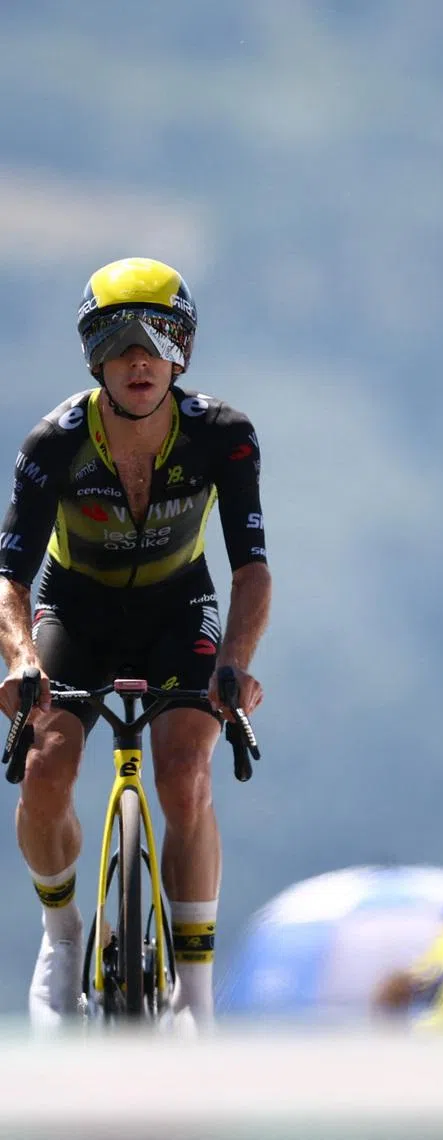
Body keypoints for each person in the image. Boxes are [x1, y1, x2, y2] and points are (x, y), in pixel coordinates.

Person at [0, 257, 271, 1030]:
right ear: (94, 357)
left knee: (185, 772)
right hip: (73, 611)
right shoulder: (53, 444)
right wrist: (21, 660)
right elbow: (9, 577)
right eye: (117, 339)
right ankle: (61, 936)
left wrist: (236, 664)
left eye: (161, 335)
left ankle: (196, 991)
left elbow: (251, 570)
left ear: (184, 349)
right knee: (47, 766)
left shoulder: (223, 435)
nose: (140, 355)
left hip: (177, 609)